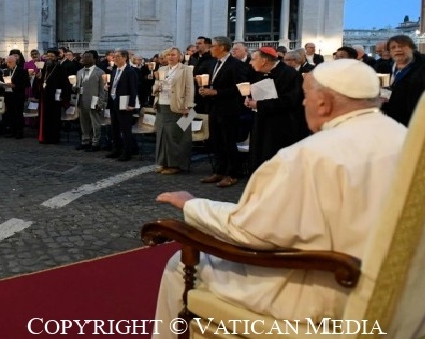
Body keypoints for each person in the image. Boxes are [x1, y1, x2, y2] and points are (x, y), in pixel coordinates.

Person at [152, 60, 407, 335]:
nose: (302, 104)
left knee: (179, 264)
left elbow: (249, 231)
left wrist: (191, 204)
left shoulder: (307, 156)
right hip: (393, 283)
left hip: (326, 288)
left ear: (323, 103)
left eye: (306, 96)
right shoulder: (407, 137)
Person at [243, 47, 307, 172]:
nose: (250, 63)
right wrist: (250, 99)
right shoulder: (259, 72)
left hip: (282, 126)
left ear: (264, 61)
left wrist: (259, 105)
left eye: (253, 59)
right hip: (262, 123)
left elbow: (290, 101)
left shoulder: (289, 74)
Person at [197, 36, 249, 188]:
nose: (210, 49)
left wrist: (216, 92)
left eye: (213, 46)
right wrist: (206, 90)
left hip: (229, 110)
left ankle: (232, 174)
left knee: (228, 142)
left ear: (222, 47)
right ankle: (219, 171)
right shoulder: (215, 63)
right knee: (216, 142)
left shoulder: (236, 65)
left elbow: (241, 88)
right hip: (215, 109)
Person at [381, 34, 425, 126]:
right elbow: (385, 90)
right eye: (393, 47)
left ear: (412, 48)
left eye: (401, 46)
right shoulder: (386, 67)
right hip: (392, 118)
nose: (397, 49)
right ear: (390, 52)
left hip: (418, 117)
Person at [151, 47, 195, 174]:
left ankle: (175, 164)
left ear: (179, 56)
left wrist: (188, 106)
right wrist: (157, 87)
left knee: (175, 136)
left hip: (177, 106)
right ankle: (162, 162)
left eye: (173, 55)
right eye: (168, 55)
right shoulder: (162, 69)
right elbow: (155, 85)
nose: (170, 57)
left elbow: (189, 89)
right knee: (161, 135)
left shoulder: (185, 69)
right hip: (162, 104)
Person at [106, 49, 140, 161]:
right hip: (114, 101)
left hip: (125, 103)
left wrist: (131, 104)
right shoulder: (115, 71)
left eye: (117, 57)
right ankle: (116, 149)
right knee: (114, 128)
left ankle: (127, 152)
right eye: (114, 57)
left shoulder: (130, 71)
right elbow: (115, 85)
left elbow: (133, 89)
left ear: (125, 58)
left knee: (125, 130)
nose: (114, 59)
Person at [73, 51, 107, 151]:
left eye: (88, 57)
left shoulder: (100, 72)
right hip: (82, 101)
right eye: (84, 57)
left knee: (95, 123)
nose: (85, 59)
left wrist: (101, 102)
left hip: (94, 101)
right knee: (84, 123)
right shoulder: (79, 72)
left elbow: (103, 89)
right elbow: (78, 86)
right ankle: (85, 141)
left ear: (94, 59)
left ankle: (95, 143)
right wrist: (74, 87)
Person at [34, 48, 69, 144]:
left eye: (52, 56)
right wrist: (38, 79)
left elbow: (65, 84)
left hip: (55, 98)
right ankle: (44, 137)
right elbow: (41, 82)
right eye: (48, 56)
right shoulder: (44, 68)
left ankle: (53, 138)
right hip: (44, 97)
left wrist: (63, 97)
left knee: (54, 119)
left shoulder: (60, 68)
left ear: (56, 58)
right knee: (44, 119)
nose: (49, 58)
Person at [0, 54, 30, 138]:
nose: (7, 64)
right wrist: (1, 85)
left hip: (18, 96)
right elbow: (5, 82)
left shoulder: (21, 70)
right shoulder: (6, 71)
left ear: (14, 62)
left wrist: (15, 86)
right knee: (10, 114)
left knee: (18, 114)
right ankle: (12, 131)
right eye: (6, 62)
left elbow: (26, 84)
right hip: (8, 95)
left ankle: (19, 132)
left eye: (9, 62)